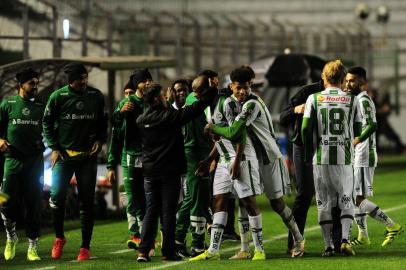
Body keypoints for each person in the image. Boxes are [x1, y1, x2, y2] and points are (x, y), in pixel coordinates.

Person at [206, 68, 306, 258]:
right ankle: (244, 249)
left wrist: (213, 128)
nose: (242, 92)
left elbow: (235, 132)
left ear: (250, 85)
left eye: (246, 88)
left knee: (277, 203)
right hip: (253, 158)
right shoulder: (233, 103)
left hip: (269, 158)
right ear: (231, 87)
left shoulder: (252, 104)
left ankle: (299, 239)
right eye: (238, 88)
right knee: (244, 200)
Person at [136, 78, 217, 262]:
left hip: (149, 172)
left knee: (151, 211)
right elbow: (194, 109)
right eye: (162, 96)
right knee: (168, 212)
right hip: (168, 171)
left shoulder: (141, 120)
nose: (166, 97)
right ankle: (168, 252)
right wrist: (210, 91)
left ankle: (143, 251)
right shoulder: (169, 117)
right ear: (157, 99)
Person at [190, 67, 265, 261]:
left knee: (248, 202)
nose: (196, 94)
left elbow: (237, 134)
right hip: (223, 160)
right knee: (219, 202)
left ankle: (259, 250)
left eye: (199, 90)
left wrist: (237, 160)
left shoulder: (228, 103)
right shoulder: (209, 105)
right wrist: (209, 159)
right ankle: (213, 251)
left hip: (240, 159)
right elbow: (220, 138)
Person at [43, 63, 107, 261]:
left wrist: (100, 139)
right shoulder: (58, 97)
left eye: (85, 78)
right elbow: (46, 122)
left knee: (87, 201)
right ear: (71, 81)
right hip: (64, 156)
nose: (84, 82)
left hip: (87, 156)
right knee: (57, 198)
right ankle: (59, 237)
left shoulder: (96, 96)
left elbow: (103, 122)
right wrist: (54, 146)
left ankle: (85, 247)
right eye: (80, 79)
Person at [302, 60, 360, 257]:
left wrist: (308, 150)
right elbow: (359, 130)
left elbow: (305, 129)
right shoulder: (353, 99)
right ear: (343, 78)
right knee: (346, 200)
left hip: (321, 157)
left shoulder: (314, 98)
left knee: (324, 202)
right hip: (344, 158)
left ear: (323, 77)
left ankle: (328, 246)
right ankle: (344, 240)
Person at [280, 80, 343, 253]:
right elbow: (283, 117)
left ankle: (337, 243)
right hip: (303, 147)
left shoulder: (343, 95)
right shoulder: (307, 92)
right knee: (305, 193)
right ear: (324, 77)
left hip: (330, 147)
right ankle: (294, 242)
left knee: (336, 193)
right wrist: (295, 110)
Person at [344, 67, 403, 247]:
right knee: (355, 196)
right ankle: (363, 236)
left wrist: (357, 140)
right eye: (346, 80)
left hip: (363, 154)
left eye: (352, 80)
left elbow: (372, 125)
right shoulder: (356, 100)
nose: (348, 83)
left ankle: (392, 225)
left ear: (362, 82)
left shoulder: (364, 100)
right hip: (358, 155)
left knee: (356, 197)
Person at [0, 68, 45, 261]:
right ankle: (11, 237)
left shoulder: (41, 108)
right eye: (32, 83)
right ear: (21, 85)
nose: (35, 86)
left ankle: (32, 246)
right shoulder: (7, 104)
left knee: (34, 204)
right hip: (12, 160)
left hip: (34, 162)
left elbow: (50, 131)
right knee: (5, 202)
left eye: (37, 82)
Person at [107, 69, 152, 252]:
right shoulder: (128, 103)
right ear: (137, 84)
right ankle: (139, 235)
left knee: (149, 196)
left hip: (151, 155)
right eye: (145, 81)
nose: (148, 83)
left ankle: (148, 236)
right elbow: (115, 129)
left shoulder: (153, 102)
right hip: (131, 156)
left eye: (150, 80)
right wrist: (120, 113)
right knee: (133, 196)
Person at [175, 74, 214, 257]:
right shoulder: (198, 102)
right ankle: (197, 244)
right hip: (197, 154)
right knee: (198, 198)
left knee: (191, 198)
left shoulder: (193, 99)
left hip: (195, 152)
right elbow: (209, 129)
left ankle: (177, 238)